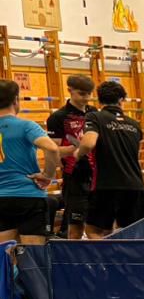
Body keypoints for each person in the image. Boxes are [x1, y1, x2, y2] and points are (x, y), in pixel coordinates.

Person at [78, 81, 144, 237]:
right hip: (135, 185)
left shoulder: (95, 117)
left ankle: (107, 254)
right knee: (133, 232)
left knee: (94, 231)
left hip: (106, 185)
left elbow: (88, 143)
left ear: (99, 99)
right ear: (121, 100)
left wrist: (78, 153)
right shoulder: (134, 124)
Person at [0, 79, 59, 250]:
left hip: (1, 198)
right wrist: (47, 175)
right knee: (33, 254)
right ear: (16, 100)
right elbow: (52, 148)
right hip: (28, 195)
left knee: (5, 254)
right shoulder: (26, 126)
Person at [45, 73, 94, 238]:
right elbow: (53, 150)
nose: (86, 98)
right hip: (75, 178)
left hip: (98, 177)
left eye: (89, 94)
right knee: (75, 229)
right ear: (70, 90)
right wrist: (76, 148)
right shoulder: (58, 117)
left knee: (100, 226)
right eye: (82, 94)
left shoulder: (95, 114)